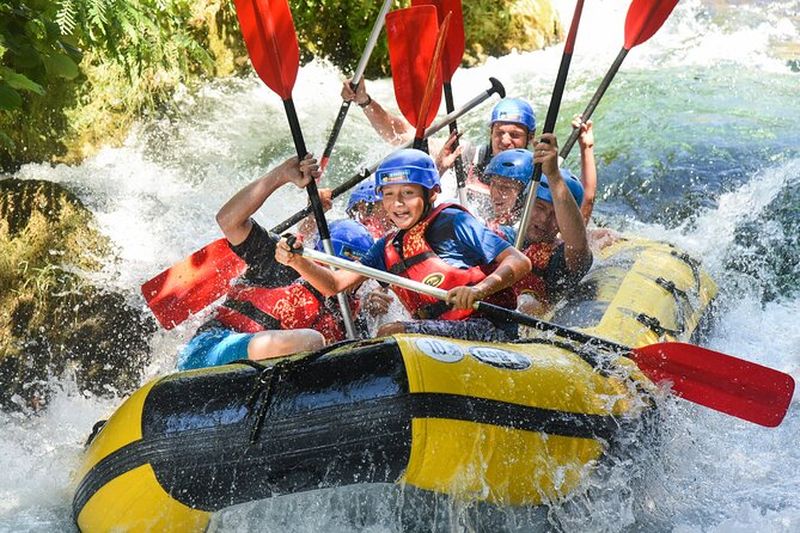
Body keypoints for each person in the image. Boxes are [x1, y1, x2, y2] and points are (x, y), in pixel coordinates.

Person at [276, 148, 532, 342]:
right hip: (444, 339)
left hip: (490, 329)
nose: (397, 204)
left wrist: (479, 291)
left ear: (431, 193)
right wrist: (297, 261)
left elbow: (520, 262)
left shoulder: (453, 222)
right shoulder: (386, 247)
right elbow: (334, 285)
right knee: (382, 334)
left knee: (392, 332)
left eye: (407, 193)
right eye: (389, 195)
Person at [177, 155, 374, 371]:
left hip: (264, 379)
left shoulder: (353, 318)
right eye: (337, 265)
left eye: (353, 270)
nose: (351, 283)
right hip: (212, 349)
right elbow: (229, 221)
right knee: (311, 341)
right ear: (319, 257)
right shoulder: (284, 261)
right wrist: (281, 175)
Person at [483, 144, 593, 317]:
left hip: (529, 332)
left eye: (555, 214)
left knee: (528, 303)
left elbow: (578, 245)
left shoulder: (561, 258)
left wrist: (553, 175)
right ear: (526, 203)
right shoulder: (506, 236)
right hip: (486, 316)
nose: (543, 219)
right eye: (539, 207)